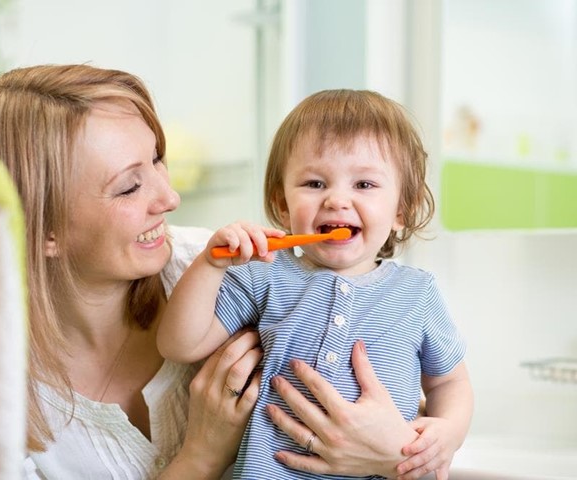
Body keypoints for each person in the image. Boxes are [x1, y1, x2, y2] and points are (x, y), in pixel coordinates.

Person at [0, 66, 433, 479]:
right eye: (129, 187)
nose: (169, 198)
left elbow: (401, 398)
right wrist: (202, 454)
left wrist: (396, 451)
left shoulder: (234, 268)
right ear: (44, 231)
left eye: (158, 160)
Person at [158, 89, 474, 479]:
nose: (337, 200)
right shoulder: (263, 274)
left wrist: (449, 433)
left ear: (401, 210)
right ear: (282, 204)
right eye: (314, 183)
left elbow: (449, 382)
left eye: (364, 185)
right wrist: (210, 264)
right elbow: (180, 344)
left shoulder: (417, 293)